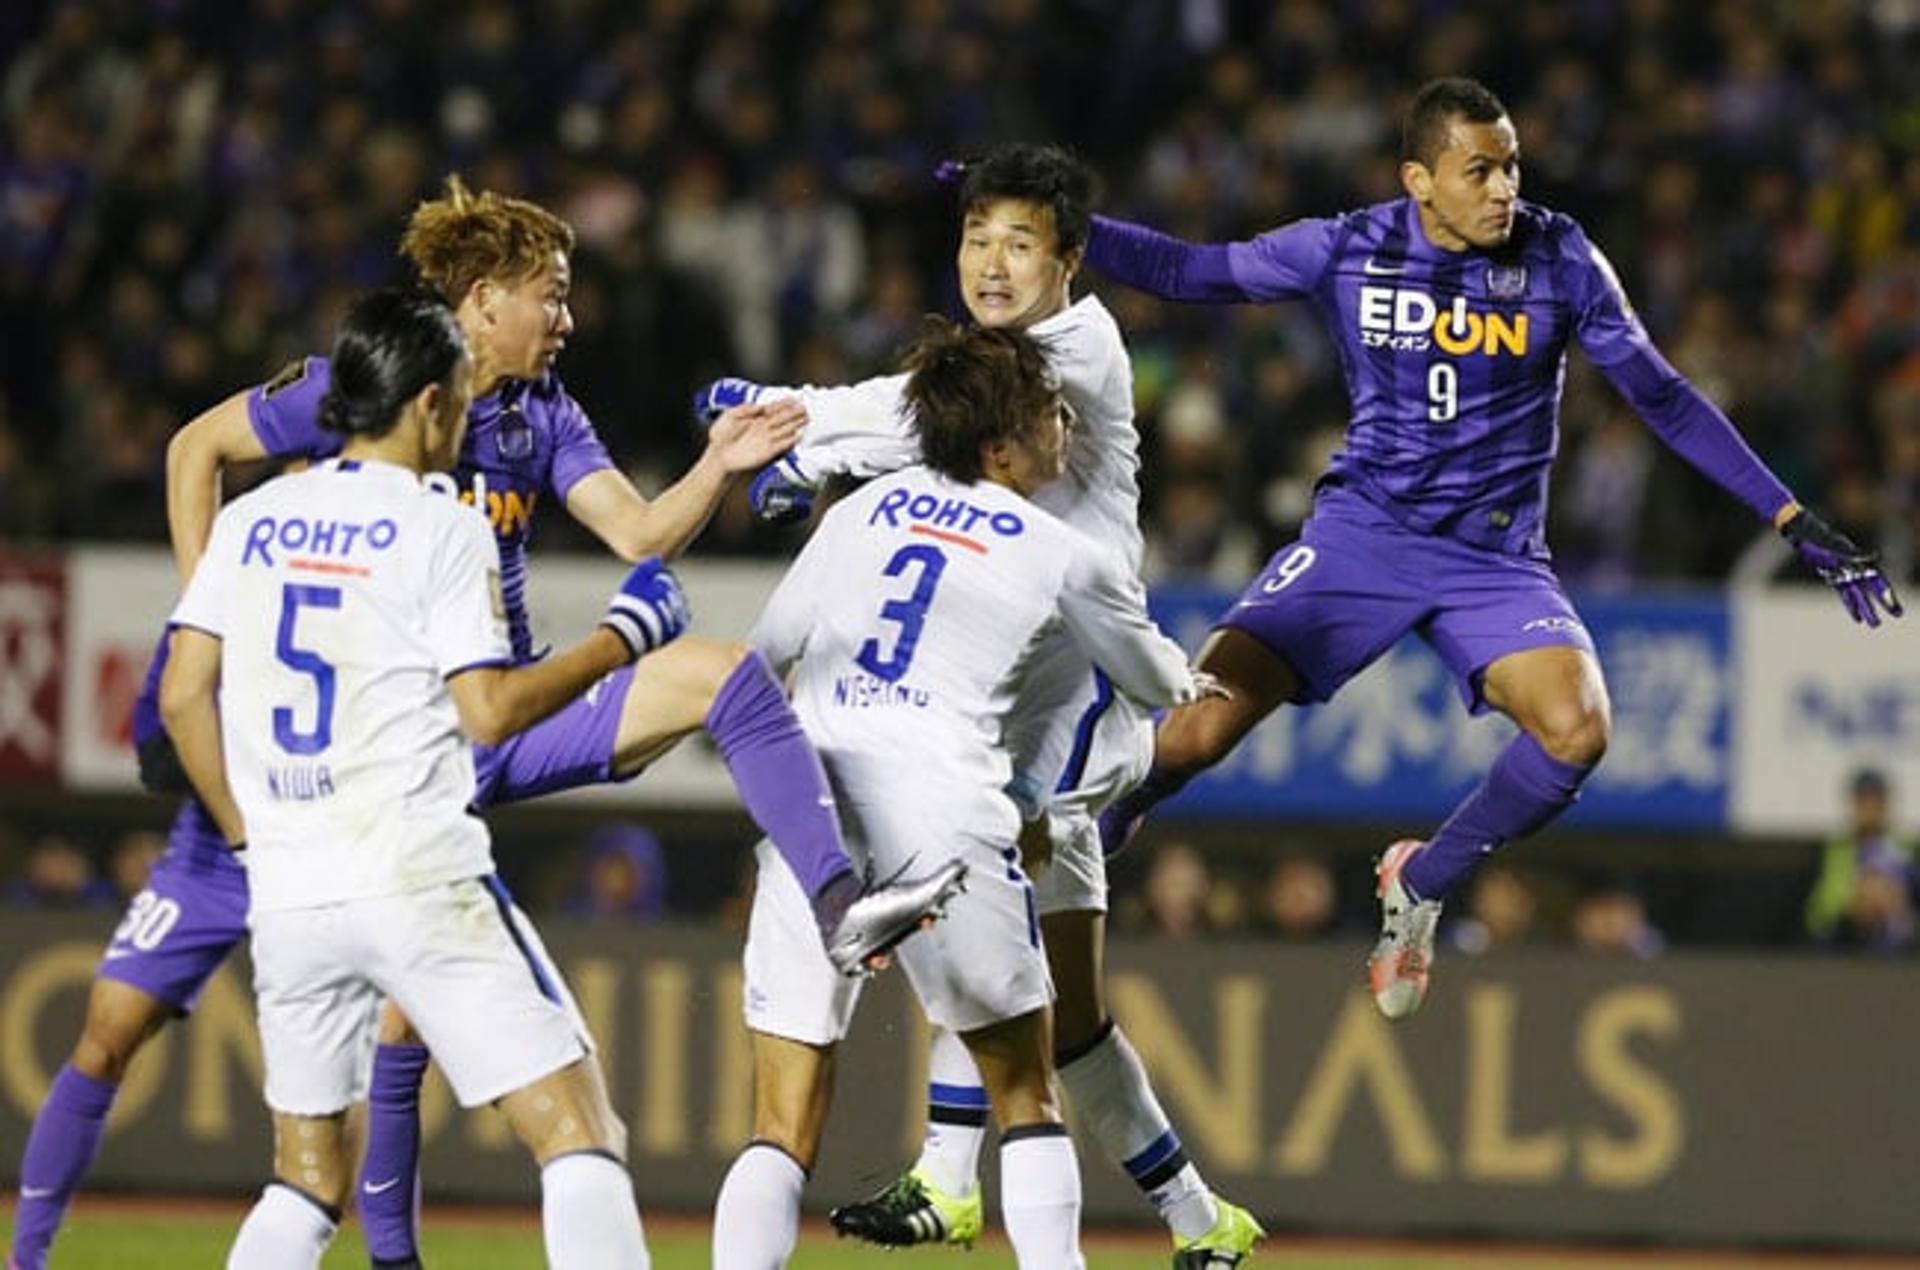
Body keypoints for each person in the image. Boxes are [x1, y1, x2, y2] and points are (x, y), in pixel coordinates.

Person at [10, 178, 958, 1270]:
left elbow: (640, 529)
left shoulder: (534, 419)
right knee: (509, 1093)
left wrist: (717, 466)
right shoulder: (361, 403)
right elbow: (193, 449)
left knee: (729, 679)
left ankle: (838, 901)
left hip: (441, 754)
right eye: (550, 295)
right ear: (478, 299)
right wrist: (615, 638)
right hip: (434, 745)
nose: (568, 318)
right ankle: (394, 1255)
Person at [1083, 76, 1905, 1021]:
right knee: (1193, 732)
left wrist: (1789, 517)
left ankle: (1422, 883)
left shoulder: (1560, 257)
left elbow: (1663, 395)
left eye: (1511, 164)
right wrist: (1070, 224)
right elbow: (1197, 272)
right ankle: (1093, 831)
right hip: (1365, 537)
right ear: (1419, 180)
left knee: (1578, 730)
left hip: (1494, 561)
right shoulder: (1351, 246)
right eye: (1479, 170)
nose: (1504, 187)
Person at [697, 144, 1262, 1262]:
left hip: (1074, 687)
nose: (992, 263)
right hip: (994, 697)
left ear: (1071, 261)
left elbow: (922, 419)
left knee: (997, 940)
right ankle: (1200, 1221)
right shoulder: (969, 405)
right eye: (975, 236)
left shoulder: (1071, 353)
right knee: (1069, 1014)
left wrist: (790, 427)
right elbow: (932, 415)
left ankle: (950, 1174)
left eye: (1019, 242)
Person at [161, 286, 676, 1267]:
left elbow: (186, 695)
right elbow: (489, 713)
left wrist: (242, 835)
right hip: (413, 864)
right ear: (433, 405)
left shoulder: (257, 519)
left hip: (295, 884)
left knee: (306, 1181)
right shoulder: (445, 528)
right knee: (579, 1134)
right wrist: (621, 639)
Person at [1805, 768, 1916, 952]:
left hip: (1899, 937)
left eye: (1875, 800)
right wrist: (1856, 900)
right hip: (1847, 935)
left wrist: (1890, 895)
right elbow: (1819, 912)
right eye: (1863, 801)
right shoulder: (1837, 848)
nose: (1869, 808)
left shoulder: (1906, 845)